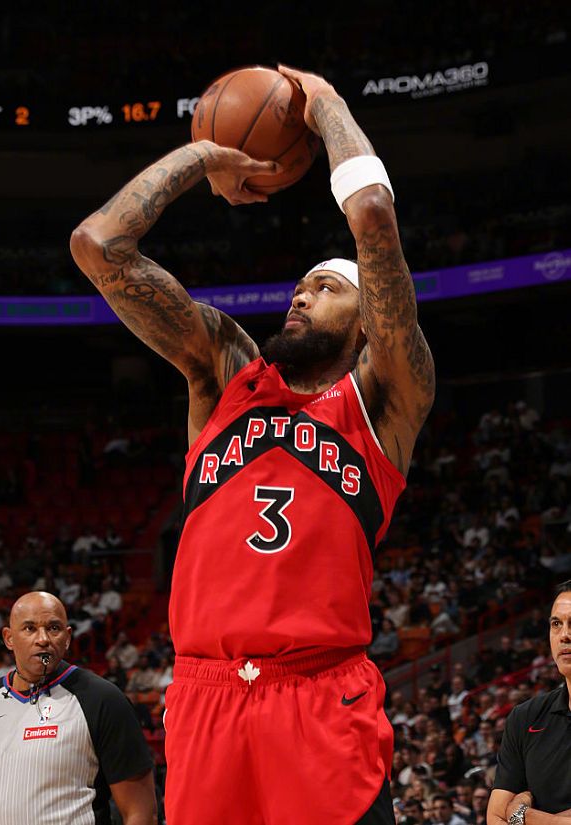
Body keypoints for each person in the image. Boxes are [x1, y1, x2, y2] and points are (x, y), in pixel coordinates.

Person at [71, 63, 435, 825]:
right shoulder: (226, 372)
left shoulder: (383, 401)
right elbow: (99, 245)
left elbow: (372, 212)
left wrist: (325, 104)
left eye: (327, 288)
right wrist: (206, 154)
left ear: (367, 323)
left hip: (321, 699)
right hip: (206, 698)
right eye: (300, 285)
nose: (302, 294)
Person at [0, 591, 157, 824]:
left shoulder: (103, 700)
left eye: (53, 628)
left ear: (67, 637)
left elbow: (141, 813)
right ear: (9, 638)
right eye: (30, 628)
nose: (43, 639)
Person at [487, 580, 571, 825]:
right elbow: (495, 817)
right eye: (556, 624)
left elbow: (510, 816)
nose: (564, 635)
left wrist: (523, 814)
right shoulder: (525, 717)